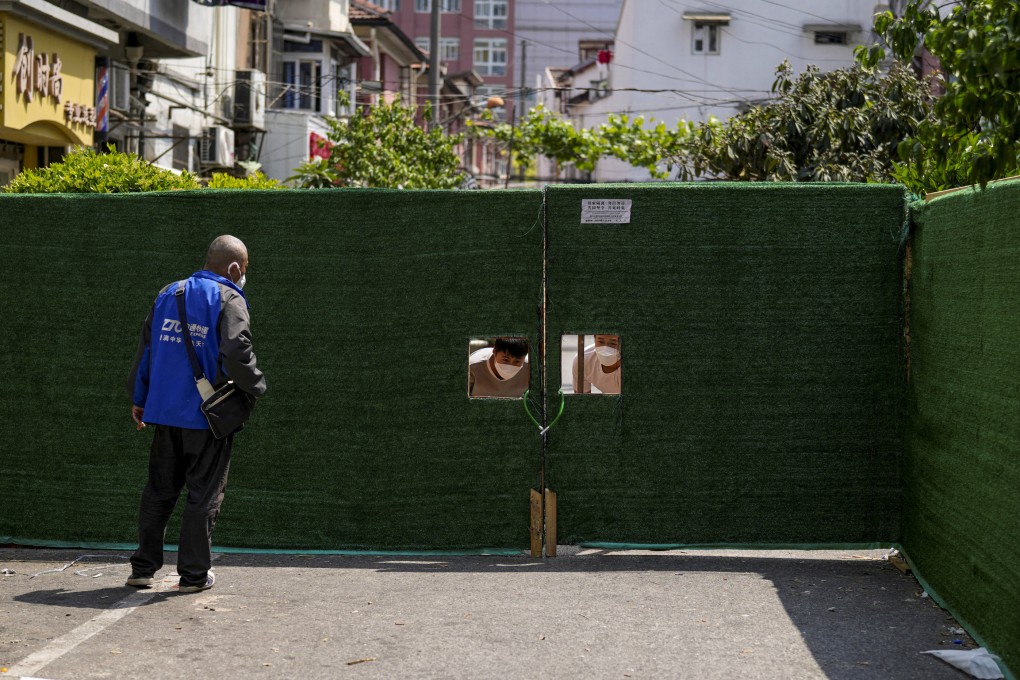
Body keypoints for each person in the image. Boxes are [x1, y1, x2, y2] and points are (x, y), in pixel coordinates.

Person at [125, 235, 266, 593]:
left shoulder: (167, 293)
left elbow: (147, 351)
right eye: (244, 269)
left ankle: (142, 568)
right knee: (204, 496)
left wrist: (139, 398)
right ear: (234, 268)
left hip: (164, 412)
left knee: (159, 491)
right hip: (207, 418)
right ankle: (193, 576)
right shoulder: (230, 298)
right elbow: (237, 350)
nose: (243, 275)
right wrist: (257, 384)